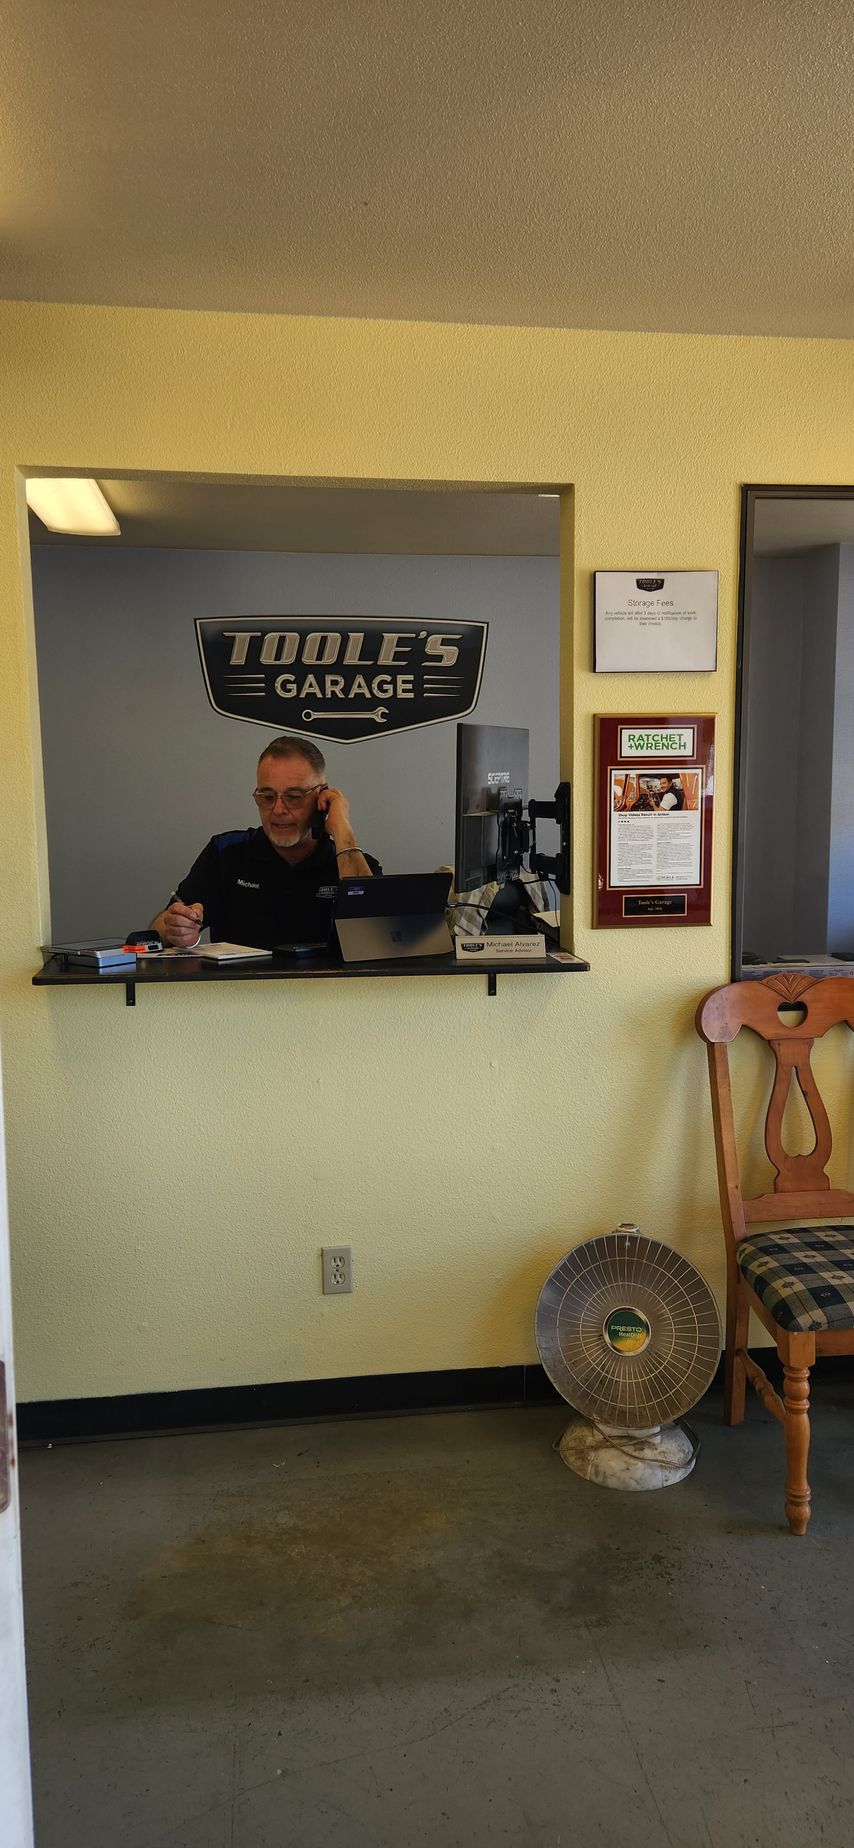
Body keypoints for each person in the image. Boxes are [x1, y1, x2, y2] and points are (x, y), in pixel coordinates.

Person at [151, 735, 380, 949]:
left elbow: (376, 938)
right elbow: (160, 928)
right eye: (267, 797)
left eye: (293, 797)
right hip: (243, 990)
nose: (278, 810)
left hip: (330, 991)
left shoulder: (355, 863)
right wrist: (172, 928)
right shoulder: (225, 853)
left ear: (322, 797)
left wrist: (343, 833)